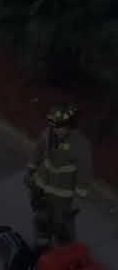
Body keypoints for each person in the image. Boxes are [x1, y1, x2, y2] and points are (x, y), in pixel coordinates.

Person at [24, 104, 93, 254]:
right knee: (41, 219)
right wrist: (30, 171)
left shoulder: (80, 144)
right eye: (53, 125)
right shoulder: (48, 134)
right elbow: (38, 151)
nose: (55, 129)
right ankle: (42, 248)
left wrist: (78, 199)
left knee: (62, 225)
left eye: (59, 126)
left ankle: (66, 253)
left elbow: (84, 173)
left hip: (62, 195)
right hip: (41, 186)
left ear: (69, 125)